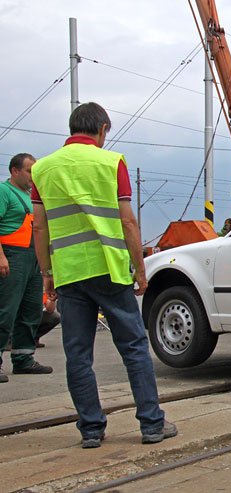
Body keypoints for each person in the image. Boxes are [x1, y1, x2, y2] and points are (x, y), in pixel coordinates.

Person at [31, 102, 177, 448]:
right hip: (109, 270)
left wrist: (46, 273)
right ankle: (152, 424)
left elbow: (39, 227)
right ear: (102, 130)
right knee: (134, 347)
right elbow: (127, 221)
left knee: (78, 353)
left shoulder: (43, 169)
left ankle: (91, 429)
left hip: (68, 272)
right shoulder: (112, 162)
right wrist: (140, 270)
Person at [0, 153, 53, 383]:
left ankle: (23, 359)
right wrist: (1, 256)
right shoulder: (4, 191)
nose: (33, 176)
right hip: (12, 256)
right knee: (6, 311)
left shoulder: (32, 196)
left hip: (32, 258)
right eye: (30, 171)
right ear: (15, 171)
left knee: (30, 310)